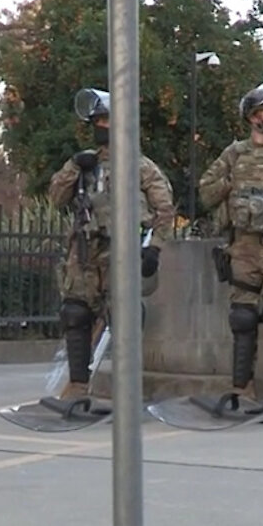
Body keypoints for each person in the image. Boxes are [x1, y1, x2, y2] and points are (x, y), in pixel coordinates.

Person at [47, 88, 177, 400]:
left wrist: (154, 249)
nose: (103, 127)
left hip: (122, 251)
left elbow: (165, 210)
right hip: (84, 252)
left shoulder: (141, 166)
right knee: (75, 314)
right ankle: (78, 387)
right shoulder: (82, 165)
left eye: (109, 120)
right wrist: (74, 167)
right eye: (99, 121)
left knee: (126, 317)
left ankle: (127, 387)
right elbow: (56, 198)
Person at [199, 81, 263, 403]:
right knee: (242, 318)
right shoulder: (234, 154)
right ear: (253, 117)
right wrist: (231, 182)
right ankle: (242, 388)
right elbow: (206, 192)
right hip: (243, 247)